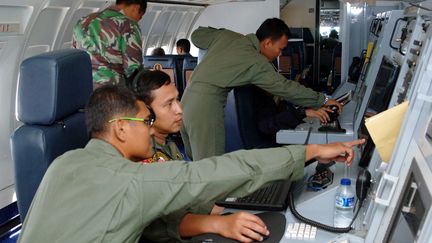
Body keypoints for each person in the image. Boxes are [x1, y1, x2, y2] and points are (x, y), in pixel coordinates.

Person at [18, 85, 364, 243]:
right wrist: (309, 153)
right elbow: (214, 173)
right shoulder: (132, 181)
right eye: (145, 121)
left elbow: (129, 222)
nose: (151, 128)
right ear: (121, 129)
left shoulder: (63, 163)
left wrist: (216, 226)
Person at [132, 70, 283, 242]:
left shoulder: (167, 144)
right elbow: (166, 222)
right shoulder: (146, 155)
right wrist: (221, 223)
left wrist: (228, 207)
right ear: (146, 112)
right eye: (168, 104)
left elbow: (186, 196)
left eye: (177, 99)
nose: (179, 109)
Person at [181, 18, 342, 160]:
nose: (279, 55)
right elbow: (286, 88)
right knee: (208, 171)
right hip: (205, 110)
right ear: (267, 43)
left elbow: (197, 35)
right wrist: (323, 99)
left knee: (196, 166)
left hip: (184, 102)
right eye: (279, 49)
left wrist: (228, 34)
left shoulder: (227, 37)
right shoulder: (256, 62)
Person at [72, 0, 147, 88]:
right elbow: (133, 69)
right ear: (136, 7)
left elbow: (74, 55)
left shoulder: (83, 21)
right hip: (112, 90)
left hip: (82, 85)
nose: (138, 20)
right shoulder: (128, 24)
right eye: (140, 16)